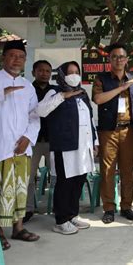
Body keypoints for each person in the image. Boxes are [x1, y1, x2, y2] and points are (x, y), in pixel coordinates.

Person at [36, 61, 98, 234]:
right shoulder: (54, 91)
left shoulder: (83, 94)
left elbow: (90, 119)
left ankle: (72, 215)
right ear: (62, 74)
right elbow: (41, 110)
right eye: (70, 72)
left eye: (77, 72)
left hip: (83, 147)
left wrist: (95, 141)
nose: (74, 75)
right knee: (65, 183)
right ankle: (61, 220)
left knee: (78, 182)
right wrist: (63, 96)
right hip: (65, 148)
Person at [0, 40, 40, 250]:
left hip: (21, 148)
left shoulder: (28, 86)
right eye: (12, 55)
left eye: (20, 57)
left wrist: (28, 138)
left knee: (20, 189)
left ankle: (18, 228)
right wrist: (2, 93)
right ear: (3, 58)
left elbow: (35, 116)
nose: (16, 60)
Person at [92, 43, 133, 224]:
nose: (118, 60)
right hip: (108, 131)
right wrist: (121, 88)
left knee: (127, 171)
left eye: (122, 57)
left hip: (129, 130)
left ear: (127, 59)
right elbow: (98, 99)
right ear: (109, 59)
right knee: (107, 170)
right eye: (114, 56)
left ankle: (127, 207)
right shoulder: (101, 79)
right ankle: (108, 208)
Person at [24, 60, 55, 223]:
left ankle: (58, 206)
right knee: (28, 178)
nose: (44, 73)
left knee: (56, 176)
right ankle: (28, 209)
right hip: (31, 141)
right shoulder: (26, 90)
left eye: (47, 71)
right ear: (33, 72)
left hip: (52, 141)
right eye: (41, 70)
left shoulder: (56, 91)